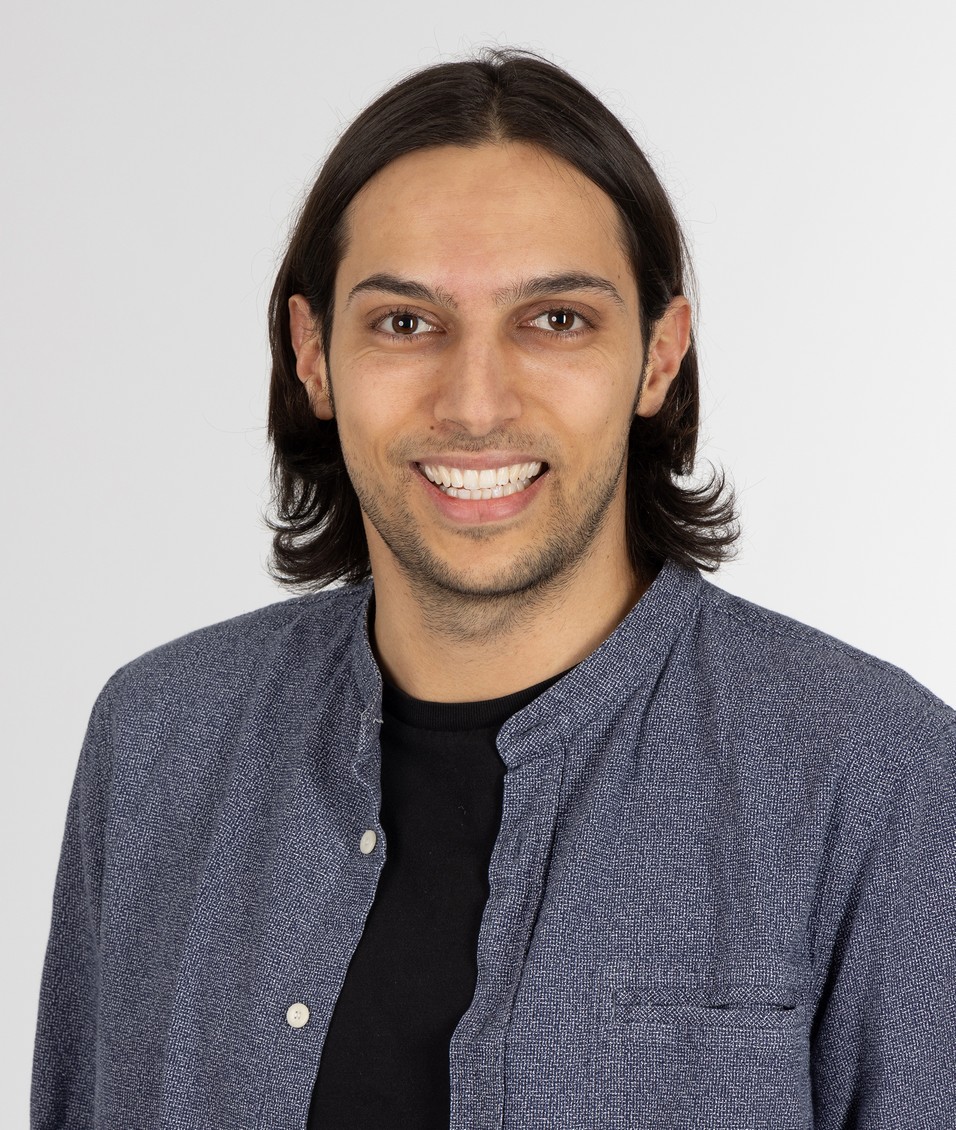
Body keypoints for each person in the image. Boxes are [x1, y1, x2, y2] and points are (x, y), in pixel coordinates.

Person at [32, 50, 955, 1130]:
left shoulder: (874, 774)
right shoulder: (155, 740)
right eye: (405, 322)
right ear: (313, 354)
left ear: (658, 357)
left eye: (555, 319)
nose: (475, 405)